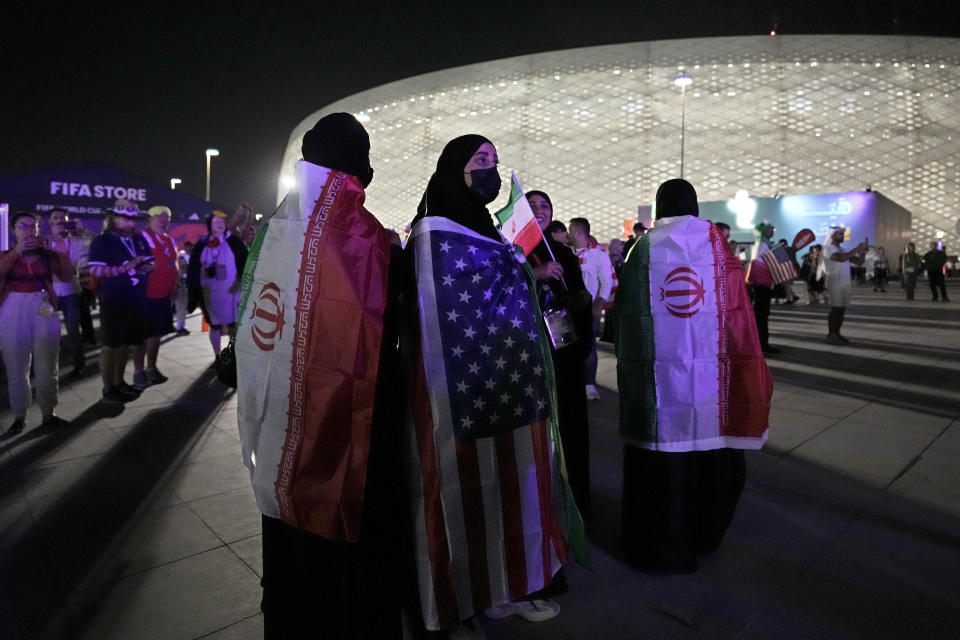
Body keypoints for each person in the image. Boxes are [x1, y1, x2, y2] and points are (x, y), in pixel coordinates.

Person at [236, 112, 412, 639]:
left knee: (291, 526)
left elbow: (253, 318)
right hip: (355, 417)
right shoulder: (372, 240)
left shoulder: (272, 232)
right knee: (344, 532)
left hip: (282, 415)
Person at [406, 135, 580, 636]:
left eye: (495, 163)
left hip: (499, 378)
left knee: (507, 485)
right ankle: (463, 596)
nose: (491, 170)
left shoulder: (482, 225)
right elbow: (460, 285)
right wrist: (526, 272)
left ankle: (501, 588)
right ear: (453, 167)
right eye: (480, 161)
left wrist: (531, 272)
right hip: (454, 384)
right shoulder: (436, 225)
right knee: (459, 489)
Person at [615, 179, 772, 574]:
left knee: (663, 462)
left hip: (660, 386)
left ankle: (660, 543)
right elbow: (738, 314)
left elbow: (628, 320)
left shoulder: (643, 249)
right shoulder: (719, 247)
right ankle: (704, 534)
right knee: (710, 455)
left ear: (660, 205)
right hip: (710, 384)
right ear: (695, 205)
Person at [527, 189, 594, 521]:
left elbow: (580, 292)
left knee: (570, 427)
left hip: (564, 350)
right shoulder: (509, 247)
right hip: (531, 353)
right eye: (532, 205)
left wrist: (578, 299)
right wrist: (533, 276)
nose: (540, 209)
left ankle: (575, 500)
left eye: (545, 205)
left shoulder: (564, 253)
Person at [0, 212, 74, 434]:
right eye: (23, 225)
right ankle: (19, 415)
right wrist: (17, 252)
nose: (29, 230)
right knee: (16, 366)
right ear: (13, 230)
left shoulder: (47, 254)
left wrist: (62, 254)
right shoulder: (5, 254)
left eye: (34, 226)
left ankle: (48, 413)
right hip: (13, 308)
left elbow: (68, 276)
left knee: (47, 365)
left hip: (43, 306)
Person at [88, 199, 154, 403]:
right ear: (113, 218)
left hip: (136, 298)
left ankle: (119, 383)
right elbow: (96, 270)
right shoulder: (102, 241)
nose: (130, 224)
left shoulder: (139, 238)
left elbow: (151, 262)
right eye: (125, 219)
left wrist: (148, 267)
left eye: (133, 219)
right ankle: (108, 389)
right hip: (114, 299)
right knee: (111, 345)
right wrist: (126, 268)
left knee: (127, 344)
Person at [187, 211, 247, 359]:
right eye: (216, 222)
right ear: (209, 226)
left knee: (234, 325)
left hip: (233, 291)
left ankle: (233, 354)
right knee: (215, 325)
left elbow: (245, 263)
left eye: (222, 221)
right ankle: (217, 356)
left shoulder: (234, 241)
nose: (220, 224)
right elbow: (193, 269)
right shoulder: (201, 245)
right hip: (211, 294)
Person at [132, 205, 179, 388]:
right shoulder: (142, 237)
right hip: (145, 295)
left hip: (163, 295)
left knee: (156, 334)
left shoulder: (169, 240)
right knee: (142, 335)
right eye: (159, 215)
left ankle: (151, 368)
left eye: (167, 216)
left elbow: (173, 263)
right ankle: (138, 371)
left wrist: (175, 284)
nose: (163, 218)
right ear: (149, 219)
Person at [567, 217, 614, 399]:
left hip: (588, 309)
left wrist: (598, 304)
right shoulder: (567, 253)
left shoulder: (598, 255)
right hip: (568, 309)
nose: (568, 233)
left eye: (570, 230)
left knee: (588, 348)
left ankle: (589, 384)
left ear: (578, 232)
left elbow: (606, 281)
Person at [47, 207, 88, 377]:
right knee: (47, 329)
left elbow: (95, 242)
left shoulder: (77, 242)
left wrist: (82, 231)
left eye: (63, 218)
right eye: (55, 218)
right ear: (50, 222)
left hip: (71, 291)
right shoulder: (45, 242)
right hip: (49, 294)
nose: (59, 221)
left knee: (73, 330)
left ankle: (79, 364)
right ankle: (46, 365)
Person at [823, 226, 867, 344]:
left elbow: (858, 262)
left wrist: (862, 253)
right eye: (840, 234)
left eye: (843, 234)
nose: (842, 236)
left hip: (845, 282)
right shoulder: (828, 248)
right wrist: (857, 248)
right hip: (835, 282)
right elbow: (841, 259)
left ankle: (837, 333)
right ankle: (831, 334)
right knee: (836, 309)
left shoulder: (842, 249)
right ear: (833, 236)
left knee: (841, 309)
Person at [750, 220, 780, 354]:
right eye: (770, 229)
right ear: (763, 231)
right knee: (762, 314)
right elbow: (764, 264)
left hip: (762, 283)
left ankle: (761, 343)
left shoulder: (763, 244)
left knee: (761, 314)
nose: (772, 231)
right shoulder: (763, 245)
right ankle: (762, 344)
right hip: (762, 283)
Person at [174, 241, 193, 335]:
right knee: (180, 306)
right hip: (179, 282)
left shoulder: (191, 256)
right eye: (188, 246)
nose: (190, 248)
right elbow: (182, 266)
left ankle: (179, 326)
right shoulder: (181, 254)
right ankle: (179, 327)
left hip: (183, 282)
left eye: (191, 246)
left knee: (181, 306)